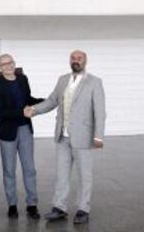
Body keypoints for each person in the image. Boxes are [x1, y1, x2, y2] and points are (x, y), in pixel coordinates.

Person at [24, 50, 106, 225]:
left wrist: (99, 135)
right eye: (73, 58)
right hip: (62, 136)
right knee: (61, 175)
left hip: (83, 136)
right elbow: (52, 101)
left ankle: (83, 209)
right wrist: (34, 109)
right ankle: (59, 208)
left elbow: (100, 111)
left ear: (85, 61)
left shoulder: (94, 82)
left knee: (85, 175)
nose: (76, 61)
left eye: (79, 58)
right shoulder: (62, 80)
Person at [0, 53, 44, 220]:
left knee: (30, 169)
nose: (8, 66)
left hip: (25, 129)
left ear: (14, 63)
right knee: (9, 170)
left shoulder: (22, 79)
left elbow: (28, 99)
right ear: (0, 67)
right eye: (4, 64)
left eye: (10, 62)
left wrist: (45, 102)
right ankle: (12, 205)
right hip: (7, 132)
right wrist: (21, 112)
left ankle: (32, 205)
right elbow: (0, 111)